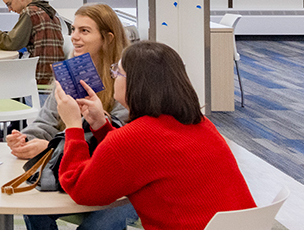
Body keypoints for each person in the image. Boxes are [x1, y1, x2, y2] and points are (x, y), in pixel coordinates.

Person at [54, 41, 255, 230]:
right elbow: (142, 157)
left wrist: (73, 126)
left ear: (135, 84)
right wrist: (100, 124)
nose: (114, 76)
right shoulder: (201, 124)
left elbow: (80, 189)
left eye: (118, 72)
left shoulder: (134, 138)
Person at [9, 3, 133, 230]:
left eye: (84, 31)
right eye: (73, 30)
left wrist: (51, 147)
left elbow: (117, 145)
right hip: (74, 168)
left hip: (121, 180)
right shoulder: (71, 72)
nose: (74, 37)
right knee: (32, 205)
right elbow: (45, 121)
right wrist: (25, 139)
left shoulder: (124, 79)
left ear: (108, 38)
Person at [0, 0, 65, 85]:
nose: (9, 9)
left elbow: (10, 43)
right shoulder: (47, 11)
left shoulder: (29, 12)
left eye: (9, 4)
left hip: (40, 76)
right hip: (56, 76)